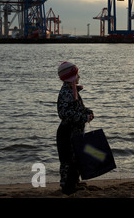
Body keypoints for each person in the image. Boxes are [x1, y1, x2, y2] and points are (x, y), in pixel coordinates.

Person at [56, 61, 94, 194]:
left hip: (75, 132)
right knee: (68, 160)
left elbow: (77, 108)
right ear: (72, 77)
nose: (79, 77)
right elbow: (64, 114)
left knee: (76, 157)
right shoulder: (67, 93)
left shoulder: (73, 90)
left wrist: (87, 111)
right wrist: (84, 117)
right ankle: (67, 186)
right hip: (67, 133)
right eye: (77, 74)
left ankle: (74, 183)